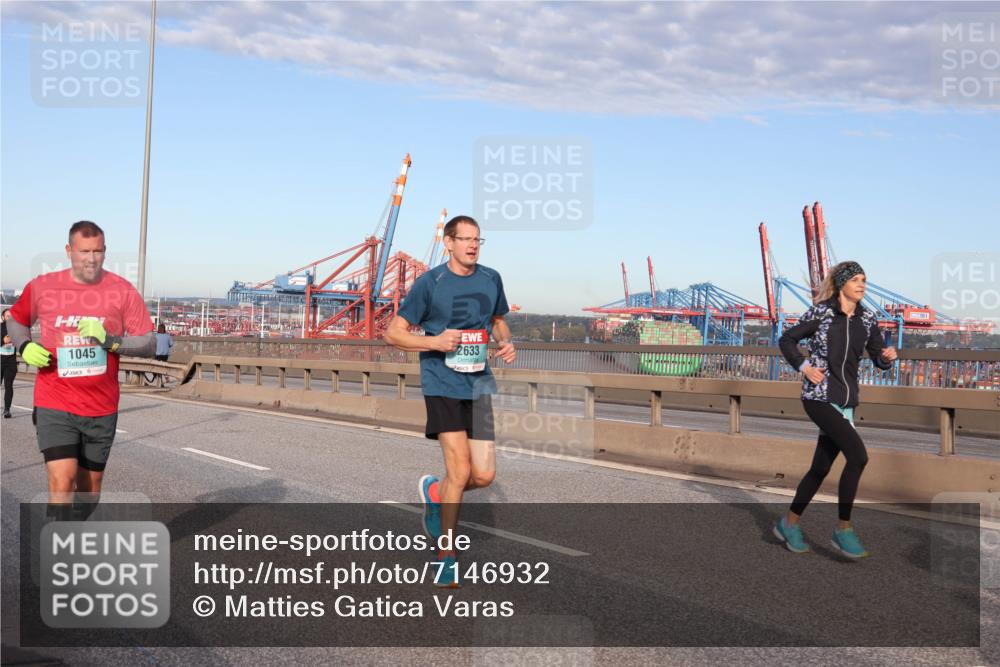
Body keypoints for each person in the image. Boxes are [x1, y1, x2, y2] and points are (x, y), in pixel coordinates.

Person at [384, 215, 515, 587]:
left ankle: (436, 493)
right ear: (448, 243)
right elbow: (393, 333)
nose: (473, 245)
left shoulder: (491, 278)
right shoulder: (431, 283)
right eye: (466, 239)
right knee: (460, 471)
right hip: (442, 384)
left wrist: (506, 340)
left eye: (478, 240)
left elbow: (498, 319)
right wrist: (435, 342)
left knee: (484, 475)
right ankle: (447, 557)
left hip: (478, 385)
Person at [6, 221, 156, 520]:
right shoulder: (44, 285)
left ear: (105, 251)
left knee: (89, 490)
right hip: (54, 400)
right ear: (68, 250)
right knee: (62, 481)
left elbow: (149, 343)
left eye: (97, 251)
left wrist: (109, 340)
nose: (91, 258)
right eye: (84, 251)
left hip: (101, 406)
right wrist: (24, 345)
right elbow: (16, 318)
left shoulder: (121, 290)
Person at [773, 261, 897, 558]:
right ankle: (843, 530)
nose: (862, 285)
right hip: (818, 396)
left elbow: (878, 357)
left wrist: (887, 358)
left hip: (846, 401)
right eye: (856, 279)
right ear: (842, 283)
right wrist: (804, 367)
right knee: (858, 456)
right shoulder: (822, 312)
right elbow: (787, 339)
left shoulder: (867, 320)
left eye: (864, 280)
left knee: (821, 467)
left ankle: (788, 523)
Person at [2, 309, 17, 418]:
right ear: (3, 317)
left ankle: (7, 410)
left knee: (9, 386)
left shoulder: (17, 328)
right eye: (8, 316)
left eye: (11, 316)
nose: (10, 318)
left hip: (11, 361)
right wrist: (3, 341)